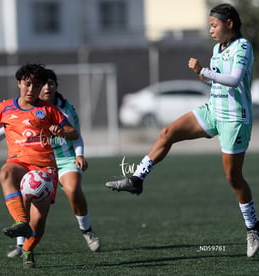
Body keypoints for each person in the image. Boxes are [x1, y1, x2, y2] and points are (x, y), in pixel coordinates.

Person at [105, 3, 259, 258]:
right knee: (168, 133)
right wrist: (206, 77)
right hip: (214, 110)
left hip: (234, 118)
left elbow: (233, 79)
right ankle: (137, 179)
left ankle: (253, 228)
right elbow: (218, 79)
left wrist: (203, 71)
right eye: (209, 25)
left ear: (229, 24)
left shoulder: (242, 46)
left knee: (233, 178)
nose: (210, 30)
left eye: (214, 25)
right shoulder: (216, 48)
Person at [0, 63, 79, 268]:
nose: (31, 90)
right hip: (19, 162)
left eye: (36, 86)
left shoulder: (49, 110)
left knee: (39, 223)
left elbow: (74, 133)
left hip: (44, 169)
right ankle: (20, 221)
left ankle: (28, 249)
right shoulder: (5, 108)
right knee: (6, 171)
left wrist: (62, 131)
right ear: (19, 83)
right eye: (27, 84)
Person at [0, 69, 101, 257]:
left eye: (50, 83)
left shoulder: (65, 108)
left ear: (56, 86)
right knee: (25, 196)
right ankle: (21, 245)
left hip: (63, 159)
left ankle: (86, 231)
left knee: (72, 190)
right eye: (42, 84)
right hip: (34, 160)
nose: (46, 87)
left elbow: (76, 134)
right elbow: (3, 129)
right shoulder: (25, 107)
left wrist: (79, 155)